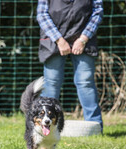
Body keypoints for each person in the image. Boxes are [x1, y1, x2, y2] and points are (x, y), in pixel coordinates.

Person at [37, 0, 103, 131]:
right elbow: (42, 14)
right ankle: (46, 127)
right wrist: (59, 40)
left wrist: (83, 39)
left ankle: (95, 127)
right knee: (51, 82)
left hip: (84, 40)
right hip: (53, 40)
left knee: (85, 83)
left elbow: (98, 12)